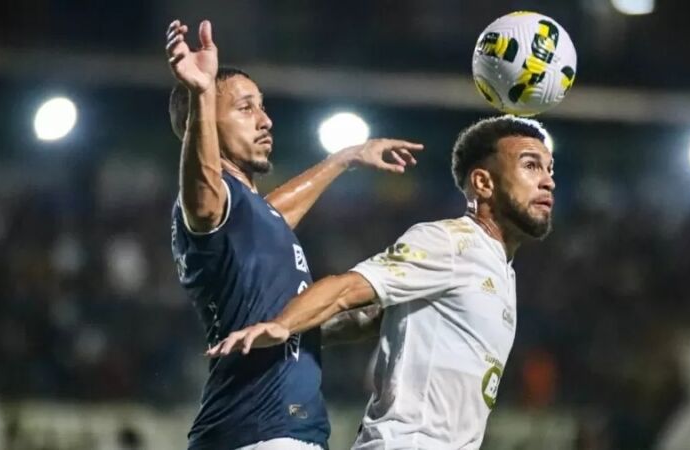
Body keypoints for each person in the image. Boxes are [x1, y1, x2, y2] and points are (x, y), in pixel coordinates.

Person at [209, 115, 557, 449]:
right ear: (483, 183)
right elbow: (348, 289)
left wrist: (306, 333)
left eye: (549, 168)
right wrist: (281, 325)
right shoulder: (452, 242)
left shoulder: (499, 269)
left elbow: (372, 317)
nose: (548, 180)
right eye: (531, 165)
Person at [165, 19, 422, 450]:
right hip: (260, 433)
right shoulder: (210, 200)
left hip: (263, 433)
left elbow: (275, 211)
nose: (265, 120)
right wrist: (201, 93)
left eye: (262, 106)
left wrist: (346, 158)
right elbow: (204, 186)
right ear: (207, 123)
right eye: (245, 108)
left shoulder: (253, 214)